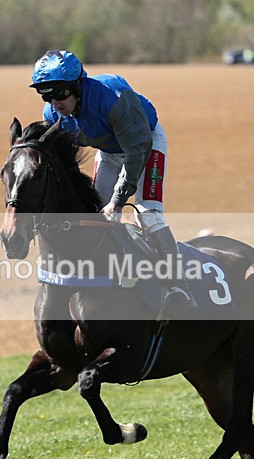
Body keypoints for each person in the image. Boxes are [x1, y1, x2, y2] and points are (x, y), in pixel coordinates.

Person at [29, 49, 194, 314]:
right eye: (46, 95)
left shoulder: (112, 100)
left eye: (60, 93)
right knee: (94, 216)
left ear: (77, 86)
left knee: (148, 214)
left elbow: (135, 153)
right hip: (109, 150)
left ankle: (177, 285)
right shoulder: (53, 115)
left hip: (145, 144)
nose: (54, 102)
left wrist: (118, 201)